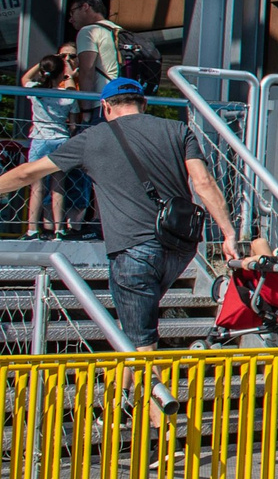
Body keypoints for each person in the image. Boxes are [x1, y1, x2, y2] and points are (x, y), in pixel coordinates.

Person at [0, 77, 240, 344]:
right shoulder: (178, 130)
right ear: (144, 103)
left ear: (105, 106)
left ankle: (153, 387)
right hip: (180, 246)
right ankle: (126, 388)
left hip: (133, 250)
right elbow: (204, 182)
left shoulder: (91, 138)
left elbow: (28, 173)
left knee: (140, 342)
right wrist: (228, 233)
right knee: (133, 328)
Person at [18, 48, 79, 239]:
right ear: (61, 73)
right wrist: (67, 68)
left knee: (37, 186)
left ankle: (32, 229)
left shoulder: (36, 91)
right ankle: (59, 229)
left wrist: (44, 62)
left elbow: (25, 77)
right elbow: (71, 89)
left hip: (39, 139)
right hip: (60, 140)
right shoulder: (68, 95)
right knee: (58, 186)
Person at [67, 0, 120, 90]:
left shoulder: (88, 31)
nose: (70, 19)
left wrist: (85, 103)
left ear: (85, 7)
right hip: (126, 96)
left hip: (103, 97)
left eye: (72, 12)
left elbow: (86, 73)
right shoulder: (117, 30)